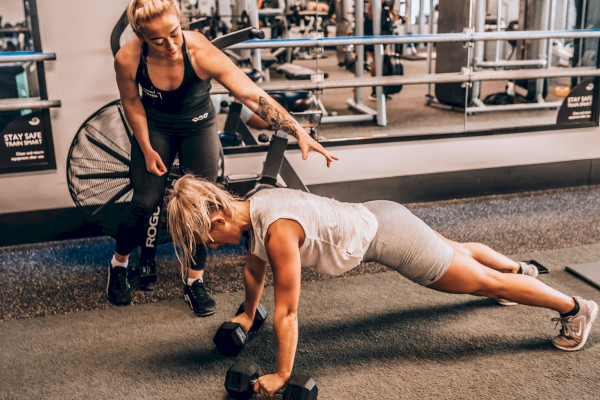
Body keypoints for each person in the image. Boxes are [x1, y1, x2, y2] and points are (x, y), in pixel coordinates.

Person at [165, 174, 598, 397]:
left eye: (207, 238)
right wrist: (245, 311)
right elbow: (253, 269)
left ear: (217, 219)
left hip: (389, 239)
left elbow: (289, 311)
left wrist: (282, 374)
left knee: (483, 283)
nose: (212, 246)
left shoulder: (278, 231)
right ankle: (522, 271)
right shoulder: (254, 203)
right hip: (378, 213)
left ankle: (574, 309)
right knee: (458, 250)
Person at [107, 0, 338, 316]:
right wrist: (146, 147)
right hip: (155, 129)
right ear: (141, 37)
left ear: (181, 23)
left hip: (198, 127)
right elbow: (132, 102)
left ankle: (194, 282)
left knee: (203, 208)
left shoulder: (199, 51)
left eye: (175, 33)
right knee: (144, 202)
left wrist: (297, 129)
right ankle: (118, 265)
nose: (170, 45)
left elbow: (249, 93)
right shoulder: (128, 59)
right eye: (157, 40)